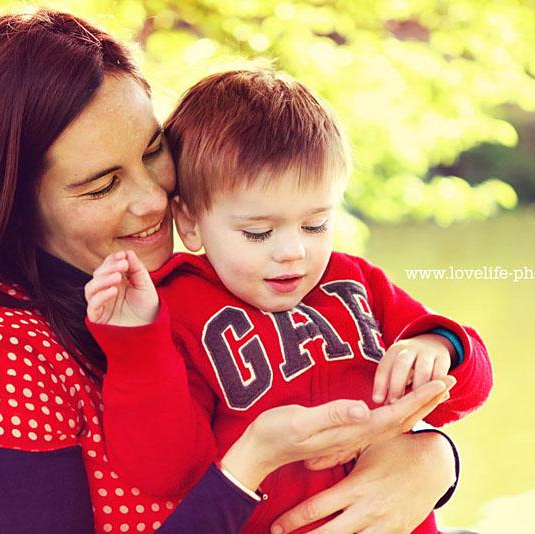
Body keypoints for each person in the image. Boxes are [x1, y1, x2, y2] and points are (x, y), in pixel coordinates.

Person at [0, 10, 462, 534]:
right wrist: (249, 464)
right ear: (15, 204)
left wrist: (432, 458)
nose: (153, 200)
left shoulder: (188, 288)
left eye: (154, 151)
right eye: (102, 185)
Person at [84, 70, 492, 533]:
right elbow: (163, 470)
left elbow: (469, 389)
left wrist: (439, 347)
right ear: (191, 222)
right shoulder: (177, 310)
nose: (292, 251)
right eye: (258, 232)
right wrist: (137, 347)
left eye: (315, 224)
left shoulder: (354, 282)